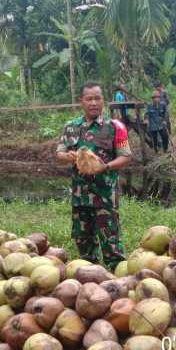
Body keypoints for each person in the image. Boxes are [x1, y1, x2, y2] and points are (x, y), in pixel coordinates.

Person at [56, 82, 132, 270]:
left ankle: (117, 274)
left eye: (97, 98)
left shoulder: (115, 127)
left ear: (103, 101)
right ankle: (90, 276)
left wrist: (104, 167)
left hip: (104, 195)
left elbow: (126, 156)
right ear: (81, 101)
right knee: (82, 240)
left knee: (110, 240)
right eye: (89, 98)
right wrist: (67, 156)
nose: (93, 103)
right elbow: (59, 154)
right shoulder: (70, 127)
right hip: (80, 196)